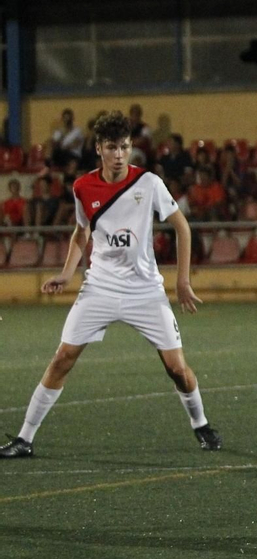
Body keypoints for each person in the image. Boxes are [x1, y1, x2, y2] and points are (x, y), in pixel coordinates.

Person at [0, 111, 220, 460]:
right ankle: (25, 438)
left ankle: (202, 424)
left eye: (125, 147)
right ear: (99, 149)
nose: (119, 154)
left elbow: (183, 227)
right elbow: (80, 232)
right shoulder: (83, 187)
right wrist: (65, 274)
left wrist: (182, 281)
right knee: (62, 359)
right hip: (99, 288)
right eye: (112, 147)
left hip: (145, 291)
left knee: (176, 369)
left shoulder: (148, 183)